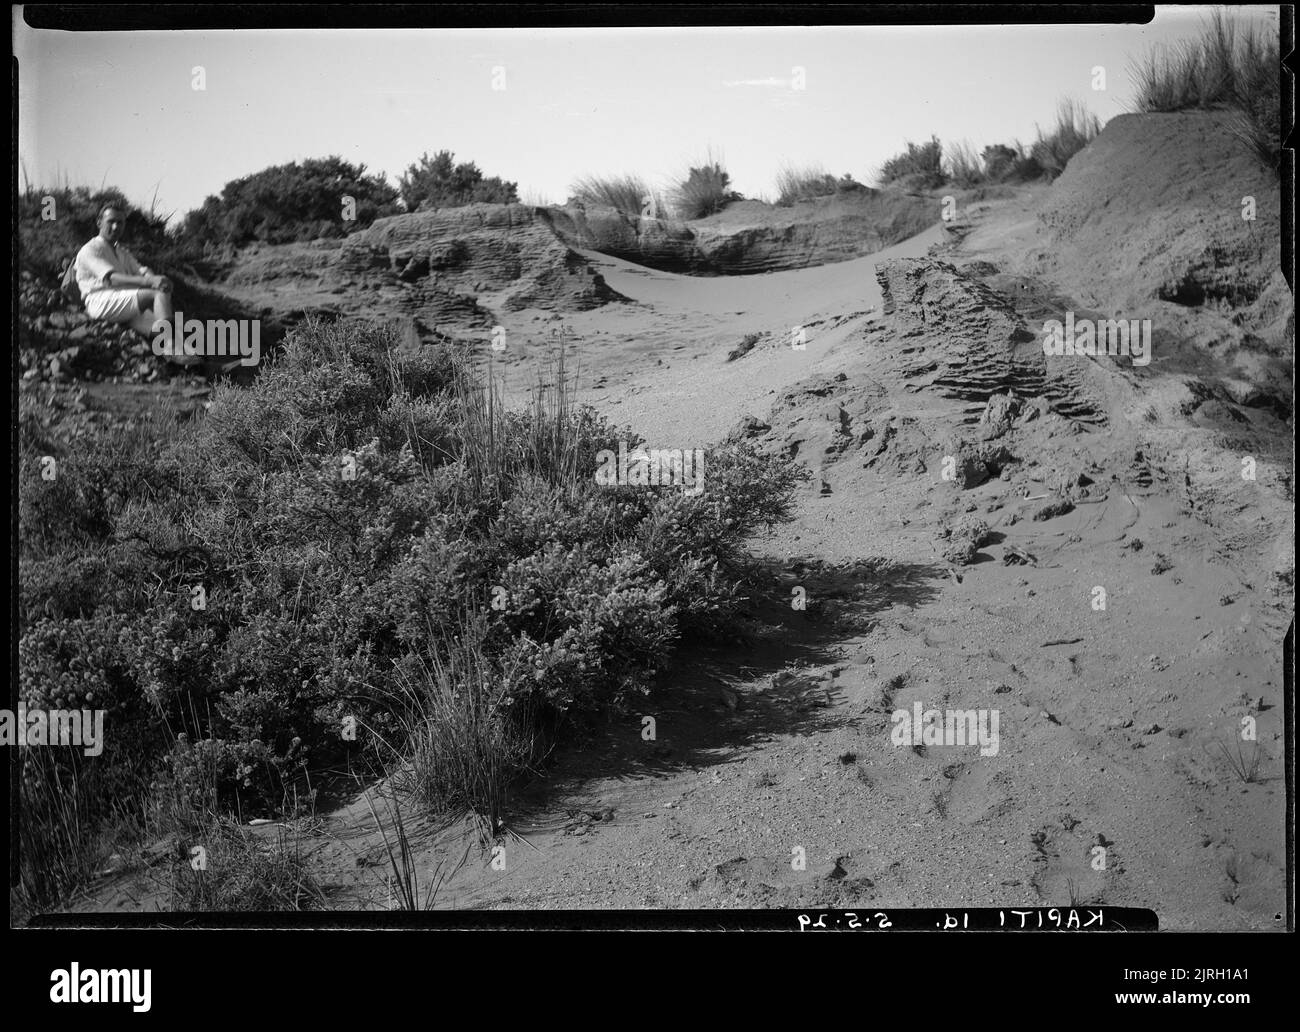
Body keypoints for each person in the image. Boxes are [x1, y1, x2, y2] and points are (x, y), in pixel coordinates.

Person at [75, 204, 195, 363]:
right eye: (111, 221)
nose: (116, 226)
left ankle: (201, 363)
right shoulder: (90, 249)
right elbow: (111, 278)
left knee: (178, 326)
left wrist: (156, 279)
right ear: (99, 222)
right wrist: (149, 282)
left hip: (124, 301)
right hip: (100, 301)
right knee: (156, 296)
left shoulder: (121, 251)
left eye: (120, 222)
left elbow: (141, 270)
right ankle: (170, 348)